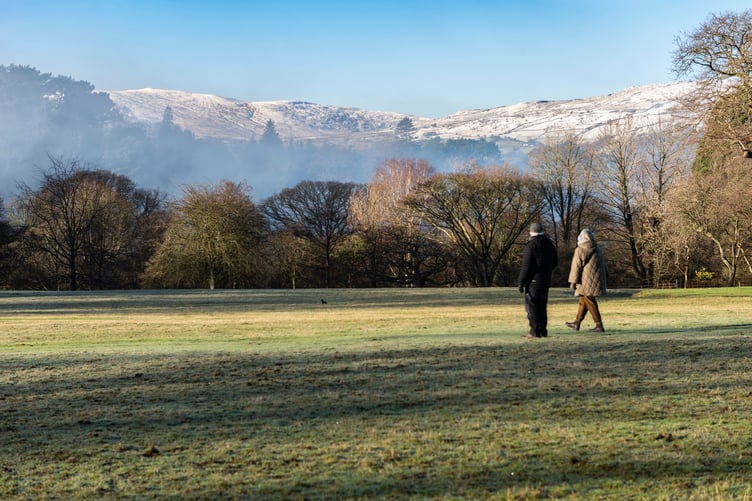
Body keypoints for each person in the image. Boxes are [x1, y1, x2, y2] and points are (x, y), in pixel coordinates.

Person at [518, 222, 558, 338]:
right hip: (545, 280)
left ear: (531, 232)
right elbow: (555, 261)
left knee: (532, 307)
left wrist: (521, 282)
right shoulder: (550, 244)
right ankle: (543, 330)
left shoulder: (531, 245)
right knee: (542, 307)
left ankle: (534, 331)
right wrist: (547, 271)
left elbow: (526, 266)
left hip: (533, 281)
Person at [566, 229, 607, 332]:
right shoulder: (597, 248)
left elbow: (576, 267)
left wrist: (573, 281)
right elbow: (603, 264)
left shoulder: (580, 249)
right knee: (584, 300)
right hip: (597, 278)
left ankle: (599, 325)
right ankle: (577, 322)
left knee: (589, 300)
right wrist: (606, 275)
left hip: (586, 279)